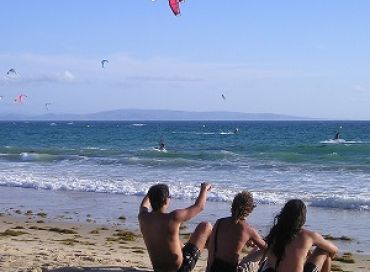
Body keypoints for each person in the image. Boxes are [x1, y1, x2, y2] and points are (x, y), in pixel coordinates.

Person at [139, 183, 213, 272]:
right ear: (166, 201)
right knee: (205, 226)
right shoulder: (173, 218)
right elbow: (199, 207)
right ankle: (211, 266)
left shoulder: (143, 217)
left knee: (173, 239)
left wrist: (151, 193)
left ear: (150, 200)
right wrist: (204, 189)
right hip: (181, 268)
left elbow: (144, 205)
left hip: (158, 269)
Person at [260, 199, 338, 272]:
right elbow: (334, 250)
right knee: (324, 250)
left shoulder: (275, 232)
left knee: (268, 262)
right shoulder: (308, 235)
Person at [206, 191, 267, 272]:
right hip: (231, 269)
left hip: (214, 267)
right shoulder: (248, 230)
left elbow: (211, 250)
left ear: (233, 206)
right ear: (249, 210)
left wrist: (209, 269)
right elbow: (267, 248)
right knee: (261, 252)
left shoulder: (219, 222)